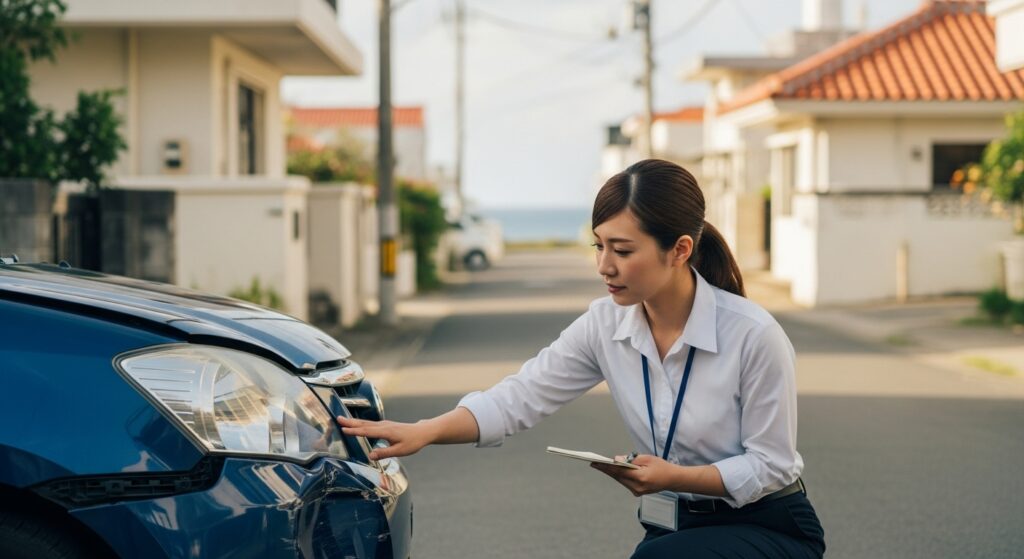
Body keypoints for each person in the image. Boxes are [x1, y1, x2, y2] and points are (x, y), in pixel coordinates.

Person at [337, 159, 826, 558]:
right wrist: (425, 431)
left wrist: (672, 477)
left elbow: (772, 465)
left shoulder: (753, 335)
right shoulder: (604, 324)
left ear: (679, 250)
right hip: (676, 527)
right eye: (598, 245)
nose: (604, 265)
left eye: (622, 249)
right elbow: (519, 397)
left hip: (769, 527)